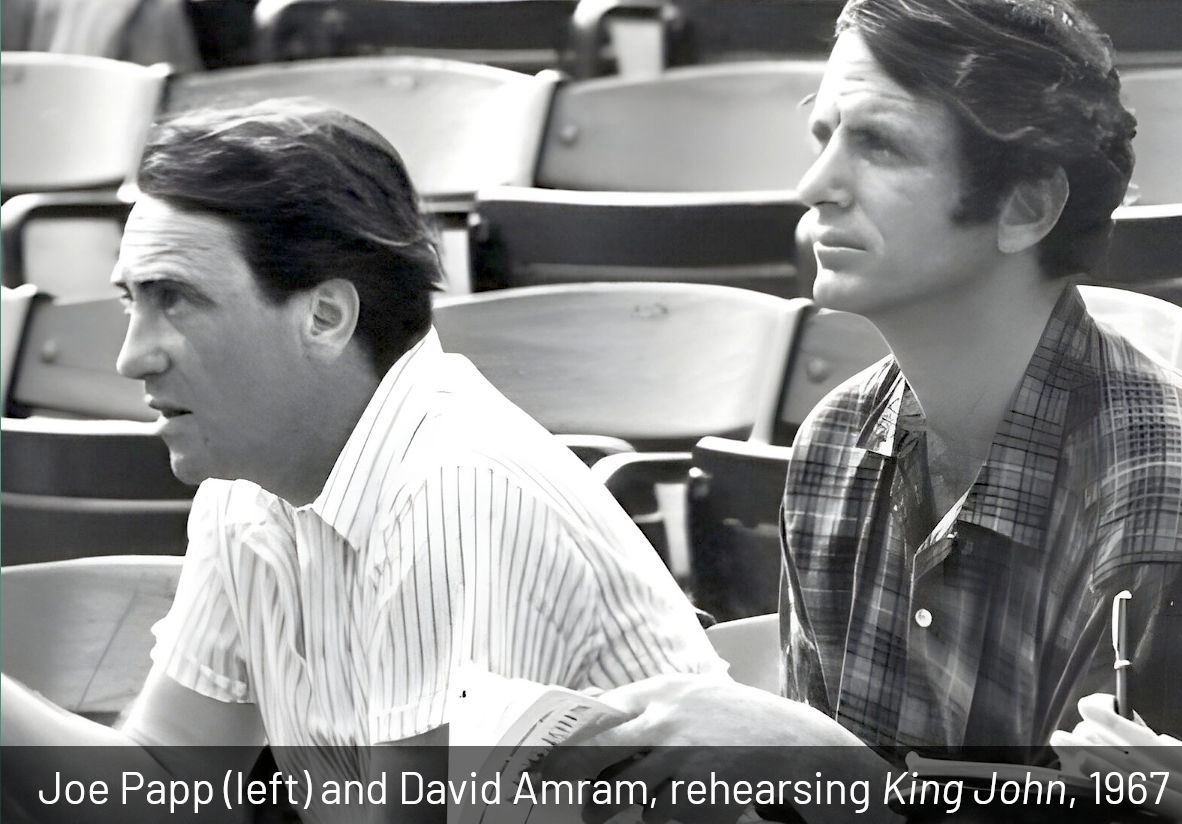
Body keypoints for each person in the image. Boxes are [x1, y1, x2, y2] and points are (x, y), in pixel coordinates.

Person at [542, 0, 1182, 820]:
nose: (814, 186)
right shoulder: (835, 440)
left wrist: (814, 761)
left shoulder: (1168, 502)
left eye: (879, 145)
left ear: (1027, 207)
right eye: (824, 137)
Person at [0, 101, 724, 823]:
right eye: (132, 302)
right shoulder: (250, 480)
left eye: (177, 300)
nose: (132, 357)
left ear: (326, 317)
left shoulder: (454, 487)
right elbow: (167, 785)